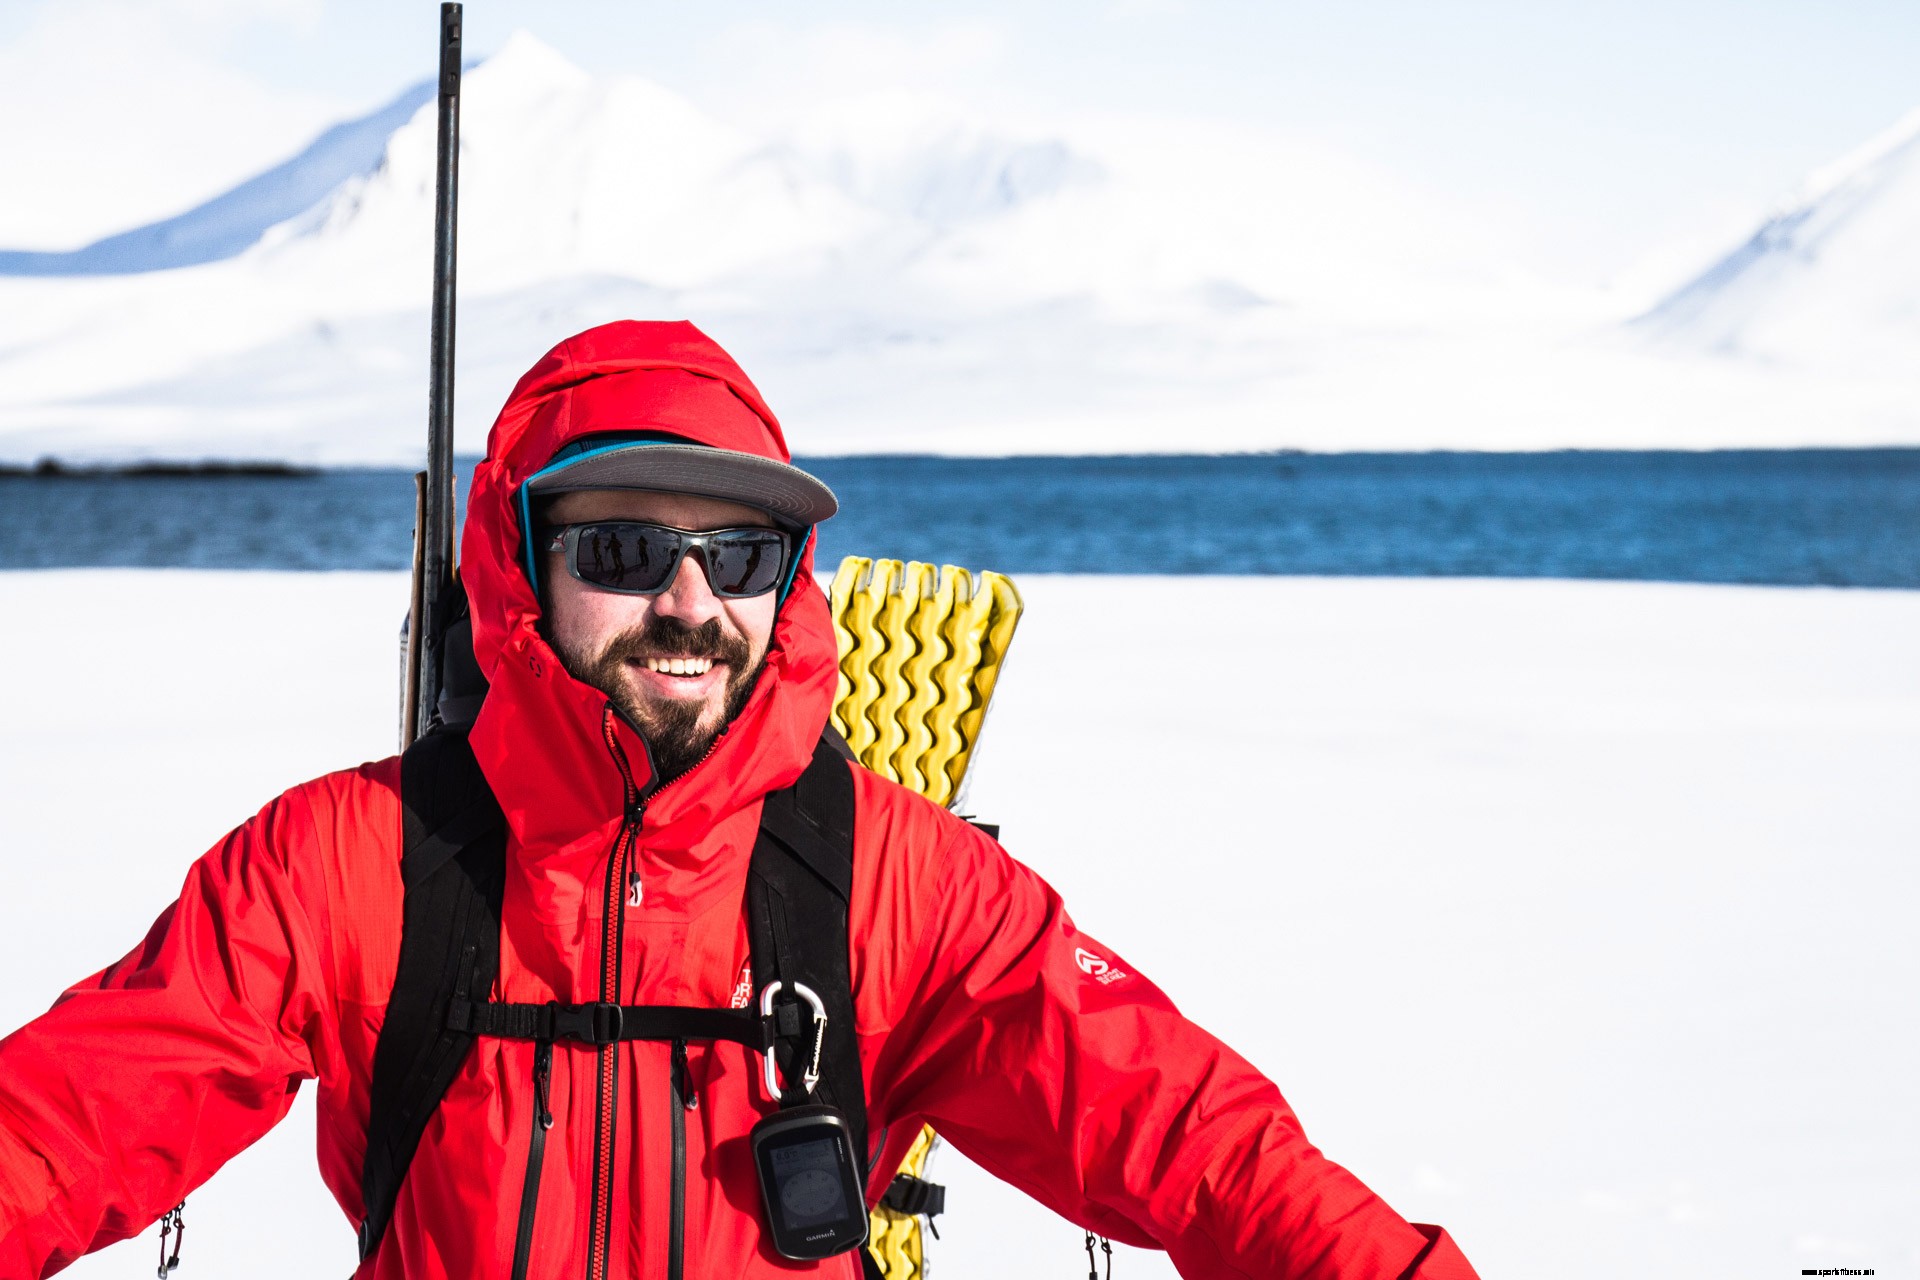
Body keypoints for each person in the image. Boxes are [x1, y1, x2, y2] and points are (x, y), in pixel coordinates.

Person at [0, 321, 1479, 1279]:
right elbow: (68, 1120)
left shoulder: (897, 882)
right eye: (624, 550)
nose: (692, 603)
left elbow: (1197, 1142)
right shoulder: (351, 863)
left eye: (744, 555)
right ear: (517, 564)